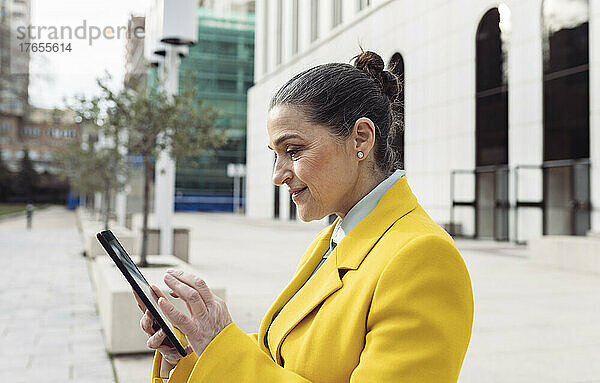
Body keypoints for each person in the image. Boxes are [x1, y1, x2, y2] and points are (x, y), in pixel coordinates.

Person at [137, 50, 474, 382]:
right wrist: (198, 349)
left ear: (361, 138)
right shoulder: (333, 239)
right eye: (276, 154)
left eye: (293, 150)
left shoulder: (423, 258)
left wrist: (218, 345)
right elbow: (281, 358)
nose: (277, 174)